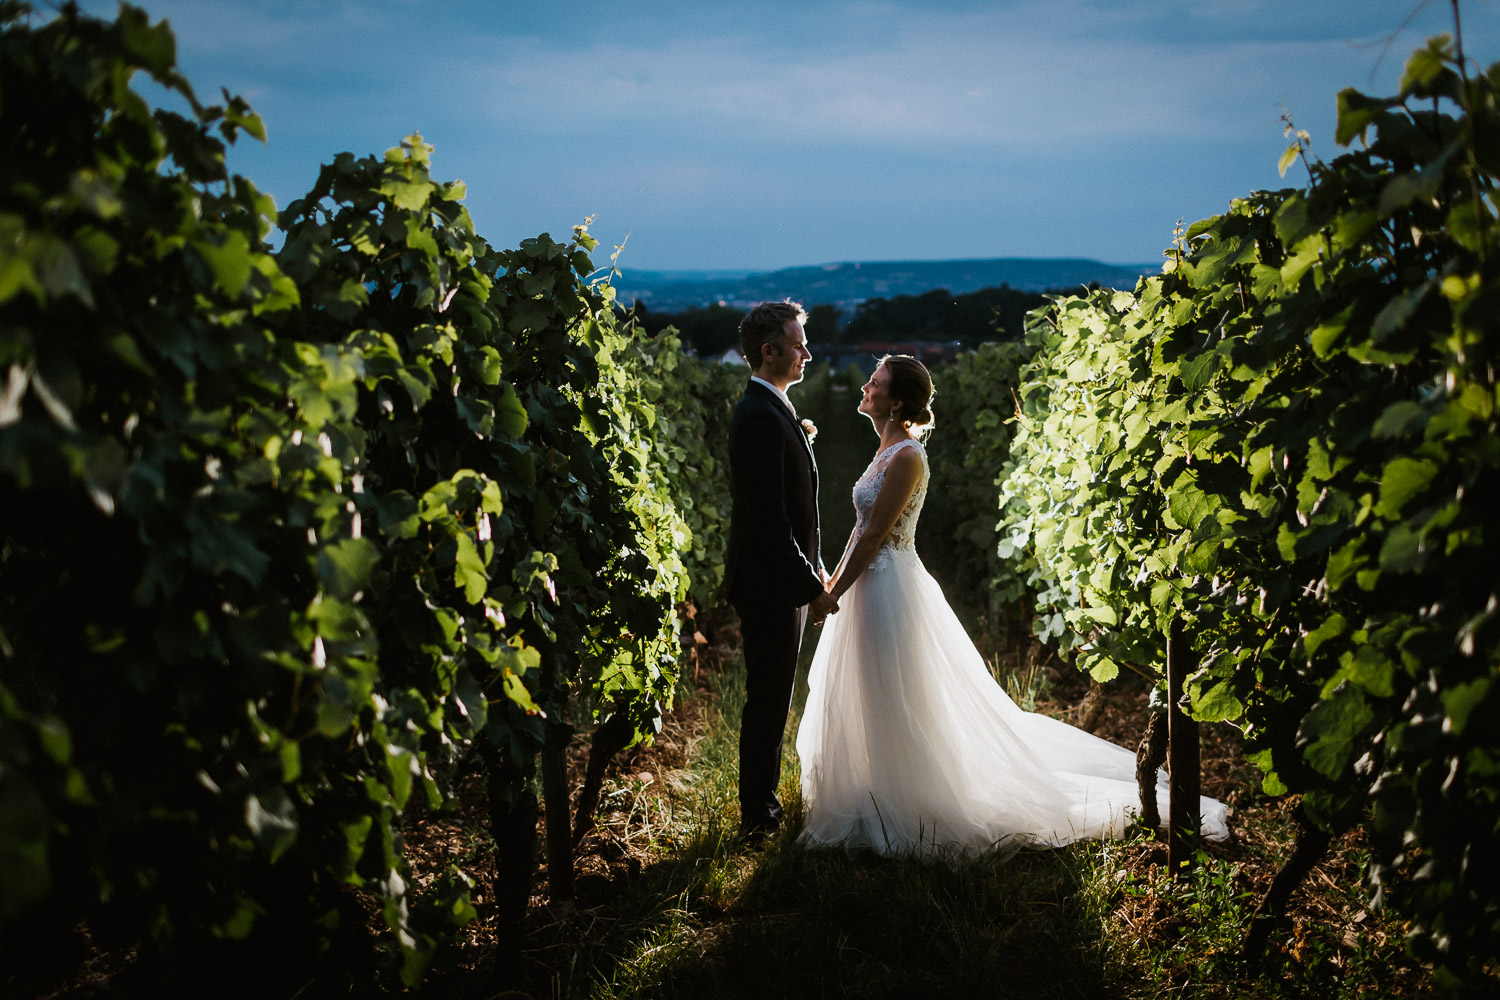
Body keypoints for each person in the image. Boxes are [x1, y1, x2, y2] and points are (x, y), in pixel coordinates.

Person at [796, 355, 1229, 856]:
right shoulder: (883, 449)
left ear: (895, 402)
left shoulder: (908, 456)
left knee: (894, 691)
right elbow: (860, 528)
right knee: (868, 687)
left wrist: (834, 593)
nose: (866, 385)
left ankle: (906, 802)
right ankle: (871, 793)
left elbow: (876, 535)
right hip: (869, 584)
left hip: (890, 587)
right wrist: (835, 578)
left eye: (875, 381)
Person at [725, 300, 840, 842]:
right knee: (768, 699)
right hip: (769, 585)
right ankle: (758, 820)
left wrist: (812, 572)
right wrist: (810, 588)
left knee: (773, 697)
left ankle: (762, 811)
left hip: (780, 580)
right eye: (798, 345)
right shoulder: (757, 417)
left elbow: (796, 509)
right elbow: (769, 522)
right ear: (769, 352)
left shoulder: (774, 410)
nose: (807, 353)